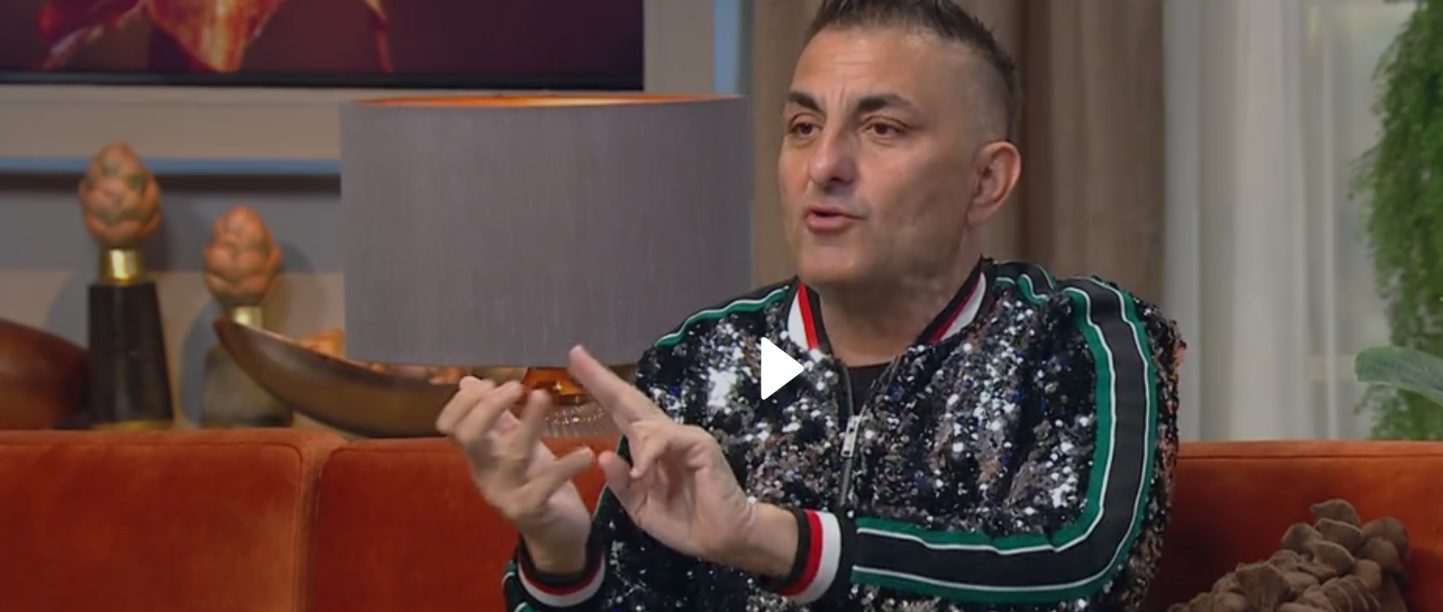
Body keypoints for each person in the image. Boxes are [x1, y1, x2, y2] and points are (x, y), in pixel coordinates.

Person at [436, 0, 1184, 609]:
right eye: (803, 127)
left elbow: (1087, 575)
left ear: (985, 181)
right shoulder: (709, 359)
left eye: (883, 129)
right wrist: (561, 556)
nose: (824, 166)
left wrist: (775, 540)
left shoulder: (1076, 338)